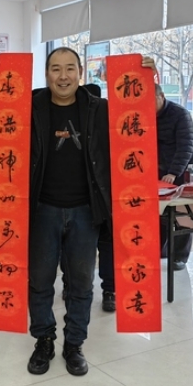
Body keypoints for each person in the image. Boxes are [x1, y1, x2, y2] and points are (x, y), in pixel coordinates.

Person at [0, 49, 156, 377]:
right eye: (56, 69)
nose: (63, 76)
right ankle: (44, 339)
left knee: (82, 284)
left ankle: (74, 343)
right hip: (41, 210)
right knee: (40, 282)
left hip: (86, 212)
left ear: (80, 73)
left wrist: (146, 79)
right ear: (46, 73)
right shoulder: (29, 107)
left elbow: (139, 125)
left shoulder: (100, 109)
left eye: (70, 69)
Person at [61, 83, 115, 313]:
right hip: (85, 199)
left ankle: (106, 289)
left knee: (101, 245)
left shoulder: (106, 121)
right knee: (74, 245)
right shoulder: (74, 123)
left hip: (102, 197)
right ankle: (98, 289)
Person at [155, 84, 193, 271]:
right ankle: (162, 250)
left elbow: (186, 147)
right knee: (161, 212)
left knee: (184, 213)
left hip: (185, 167)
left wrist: (174, 172)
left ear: (162, 96)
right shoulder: (145, 115)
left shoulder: (180, 115)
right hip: (160, 169)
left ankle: (180, 257)